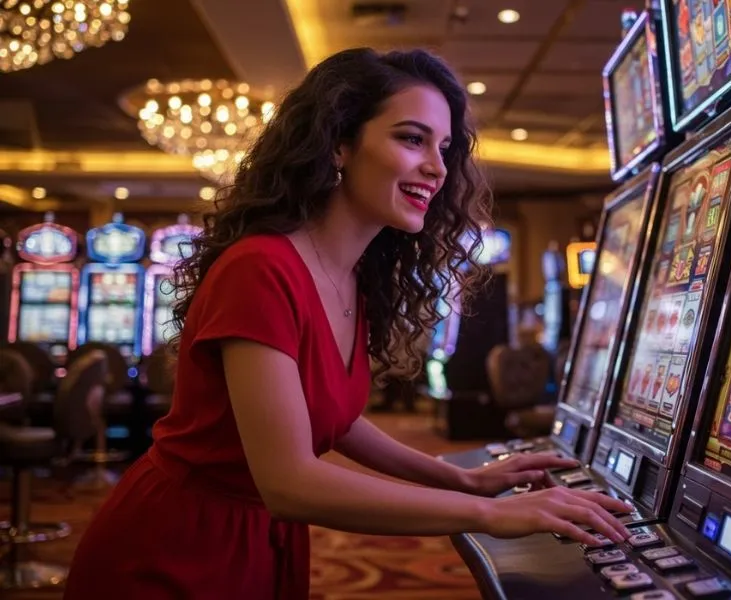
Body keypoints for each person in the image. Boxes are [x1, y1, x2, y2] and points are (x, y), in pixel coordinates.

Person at [64, 47, 631, 599]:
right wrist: (489, 513)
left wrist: (462, 478)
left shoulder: (348, 275)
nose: (436, 167)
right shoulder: (260, 268)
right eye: (412, 138)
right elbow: (290, 482)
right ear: (339, 144)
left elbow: (334, 419)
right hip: (180, 544)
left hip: (262, 536)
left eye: (445, 147)